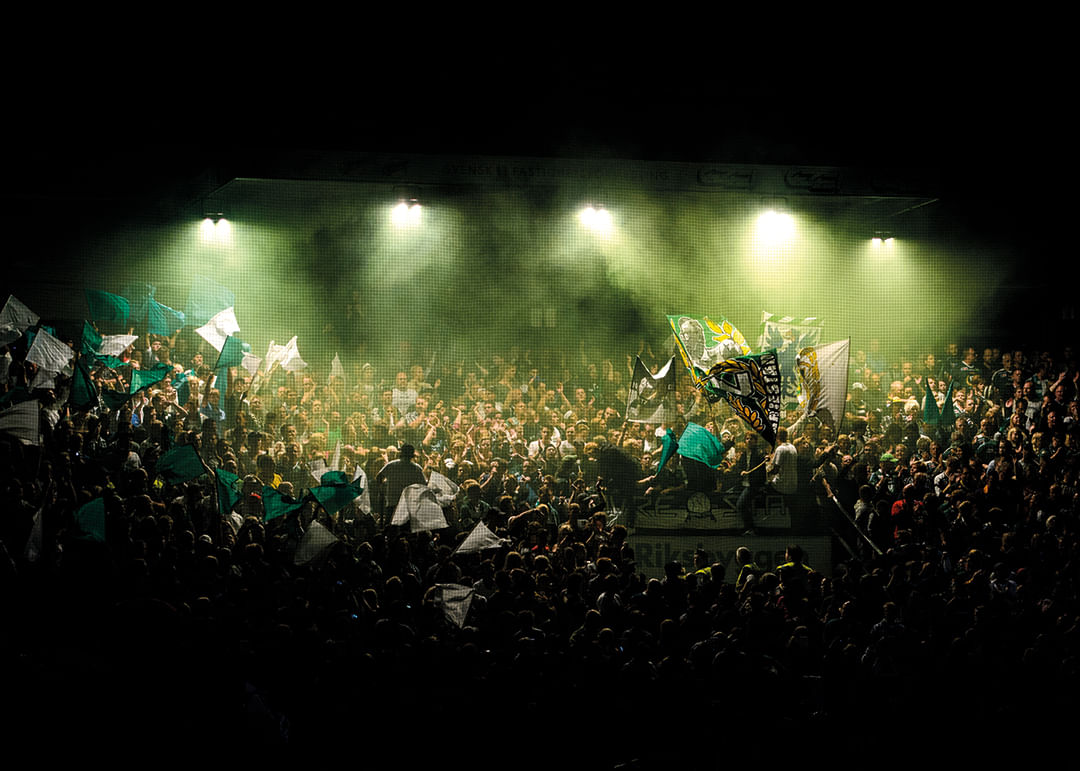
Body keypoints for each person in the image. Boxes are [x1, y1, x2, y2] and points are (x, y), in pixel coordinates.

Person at [375, 443, 427, 522]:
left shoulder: (391, 465)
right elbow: (424, 486)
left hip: (392, 504)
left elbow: (378, 478)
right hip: (409, 506)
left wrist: (383, 489)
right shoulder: (417, 468)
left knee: (391, 526)